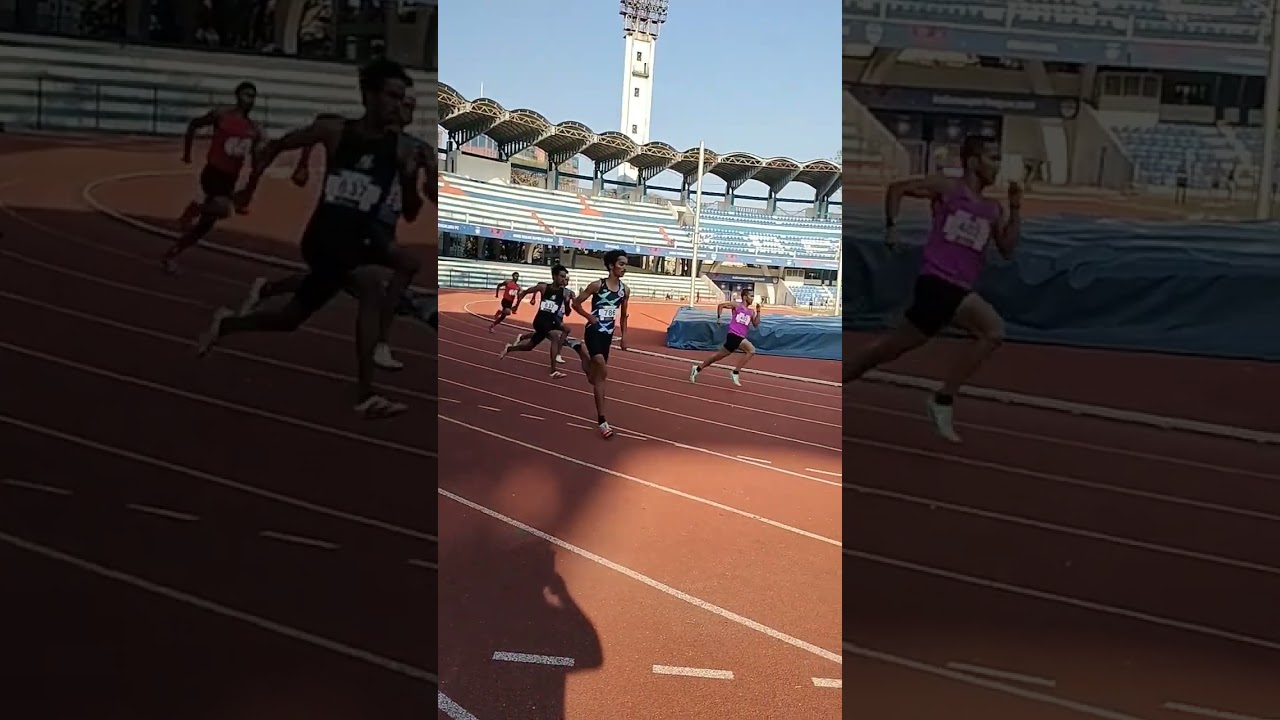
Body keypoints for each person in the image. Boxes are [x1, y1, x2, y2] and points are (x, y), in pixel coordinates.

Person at [194, 59, 425, 420]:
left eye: (402, 98)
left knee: (290, 319)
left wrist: (409, 180)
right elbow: (280, 144)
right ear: (369, 95)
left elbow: (410, 211)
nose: (398, 105)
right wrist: (251, 185)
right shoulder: (336, 131)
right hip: (323, 238)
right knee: (371, 289)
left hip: (359, 240)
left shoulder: (400, 150)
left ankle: (228, 324)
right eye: (392, 96)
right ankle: (366, 393)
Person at [843, 135, 1021, 443]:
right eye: (992, 159)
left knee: (885, 351)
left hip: (956, 287)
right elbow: (897, 189)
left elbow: (1007, 248)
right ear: (973, 161)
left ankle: (831, 383)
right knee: (992, 330)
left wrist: (1016, 208)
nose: (997, 167)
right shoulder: (948, 188)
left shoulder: (992, 209)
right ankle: (943, 399)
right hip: (937, 282)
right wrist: (891, 227)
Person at [237, 94, 429, 370]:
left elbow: (422, 197)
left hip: (386, 224)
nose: (405, 109)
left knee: (335, 279)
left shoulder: (415, 148)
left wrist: (427, 182)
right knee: (396, 271)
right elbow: (316, 132)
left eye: (410, 106)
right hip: (360, 224)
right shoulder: (362, 137)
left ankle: (267, 290)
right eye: (400, 103)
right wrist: (301, 164)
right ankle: (380, 345)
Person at [164, 81, 263, 273]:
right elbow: (194, 124)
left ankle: (173, 253)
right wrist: (187, 153)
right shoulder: (221, 115)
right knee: (222, 209)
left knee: (205, 226)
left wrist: (251, 187)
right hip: (213, 172)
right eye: (246, 95)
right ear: (237, 96)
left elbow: (256, 160)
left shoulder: (254, 129)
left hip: (230, 179)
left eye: (252, 96)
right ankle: (194, 209)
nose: (249, 100)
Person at [562, 250, 629, 439]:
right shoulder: (597, 285)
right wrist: (589, 317)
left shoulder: (625, 290)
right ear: (611, 266)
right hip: (593, 332)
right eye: (621, 264)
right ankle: (602, 420)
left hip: (608, 335)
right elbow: (576, 303)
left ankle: (579, 350)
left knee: (596, 379)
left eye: (625, 264)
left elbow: (623, 315)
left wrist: (624, 336)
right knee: (600, 365)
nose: (624, 268)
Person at [499, 264, 575, 378]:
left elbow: (568, 312)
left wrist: (567, 302)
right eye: (561, 276)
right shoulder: (544, 288)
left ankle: (509, 348)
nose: (564, 279)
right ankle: (553, 370)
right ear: (554, 276)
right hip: (540, 321)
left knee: (529, 347)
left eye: (565, 277)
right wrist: (517, 305)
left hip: (551, 322)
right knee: (554, 337)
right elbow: (525, 292)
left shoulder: (565, 293)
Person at [689, 287, 760, 387]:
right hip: (733, 335)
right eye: (750, 296)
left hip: (739, 337)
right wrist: (719, 318)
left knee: (717, 357)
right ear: (744, 297)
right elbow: (721, 306)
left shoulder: (751, 312)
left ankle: (697, 368)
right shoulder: (737, 305)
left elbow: (756, 324)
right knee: (751, 350)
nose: (752, 298)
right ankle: (735, 372)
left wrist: (758, 312)